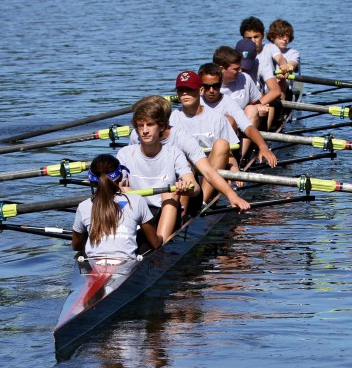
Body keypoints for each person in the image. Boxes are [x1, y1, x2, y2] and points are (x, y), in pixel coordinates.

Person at [127, 93, 251, 211]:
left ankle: (185, 216)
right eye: (140, 124)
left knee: (185, 167)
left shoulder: (182, 137)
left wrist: (231, 195)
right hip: (150, 184)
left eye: (149, 122)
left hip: (181, 189)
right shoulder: (136, 135)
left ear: (160, 123)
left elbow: (207, 171)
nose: (144, 130)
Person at [117, 98, 197, 241]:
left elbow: (195, 187)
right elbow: (116, 184)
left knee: (170, 193)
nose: (145, 131)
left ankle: (161, 246)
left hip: (164, 209)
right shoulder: (125, 153)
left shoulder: (174, 153)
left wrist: (187, 186)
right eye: (140, 126)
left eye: (150, 125)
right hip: (137, 210)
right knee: (124, 192)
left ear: (161, 126)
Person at [71, 153, 160, 263]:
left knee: (84, 237)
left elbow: (75, 246)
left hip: (94, 265)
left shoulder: (83, 206)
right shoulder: (137, 200)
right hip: (126, 264)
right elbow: (155, 243)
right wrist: (162, 238)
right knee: (143, 237)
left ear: (92, 181)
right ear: (121, 177)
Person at [198, 62, 277, 167]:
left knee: (228, 120)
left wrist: (263, 147)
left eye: (216, 86)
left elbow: (248, 127)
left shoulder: (228, 103)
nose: (211, 90)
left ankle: (233, 164)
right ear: (200, 86)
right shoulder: (195, 101)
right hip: (199, 151)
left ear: (221, 83)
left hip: (221, 152)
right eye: (206, 87)